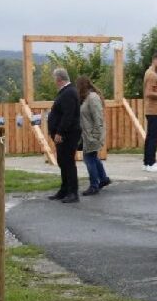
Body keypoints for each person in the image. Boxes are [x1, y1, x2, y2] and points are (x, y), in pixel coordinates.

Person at [46, 67, 82, 203]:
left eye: (55, 79)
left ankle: (73, 192)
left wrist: (60, 132)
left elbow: (68, 115)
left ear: (59, 79)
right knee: (62, 161)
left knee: (68, 162)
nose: (54, 81)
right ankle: (64, 189)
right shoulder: (66, 92)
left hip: (68, 134)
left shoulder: (69, 93)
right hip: (64, 134)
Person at [76, 76, 111, 196]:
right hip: (88, 134)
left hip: (92, 135)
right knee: (93, 157)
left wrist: (96, 135)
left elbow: (98, 117)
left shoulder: (92, 98)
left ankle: (94, 185)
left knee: (88, 158)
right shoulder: (88, 98)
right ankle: (103, 178)